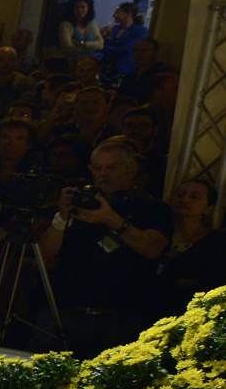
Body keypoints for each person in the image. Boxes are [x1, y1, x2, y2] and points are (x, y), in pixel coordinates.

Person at [40, 136, 173, 353]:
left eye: (112, 168)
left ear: (131, 169)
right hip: (66, 312)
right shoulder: (81, 203)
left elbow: (152, 249)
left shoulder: (153, 208)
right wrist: (62, 217)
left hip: (122, 316)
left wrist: (111, 219)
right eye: (98, 168)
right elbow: (45, 255)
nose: (103, 174)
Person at [153, 175, 224, 318]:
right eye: (180, 195)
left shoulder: (217, 241)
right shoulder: (156, 234)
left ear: (209, 207)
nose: (184, 200)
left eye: (194, 197)